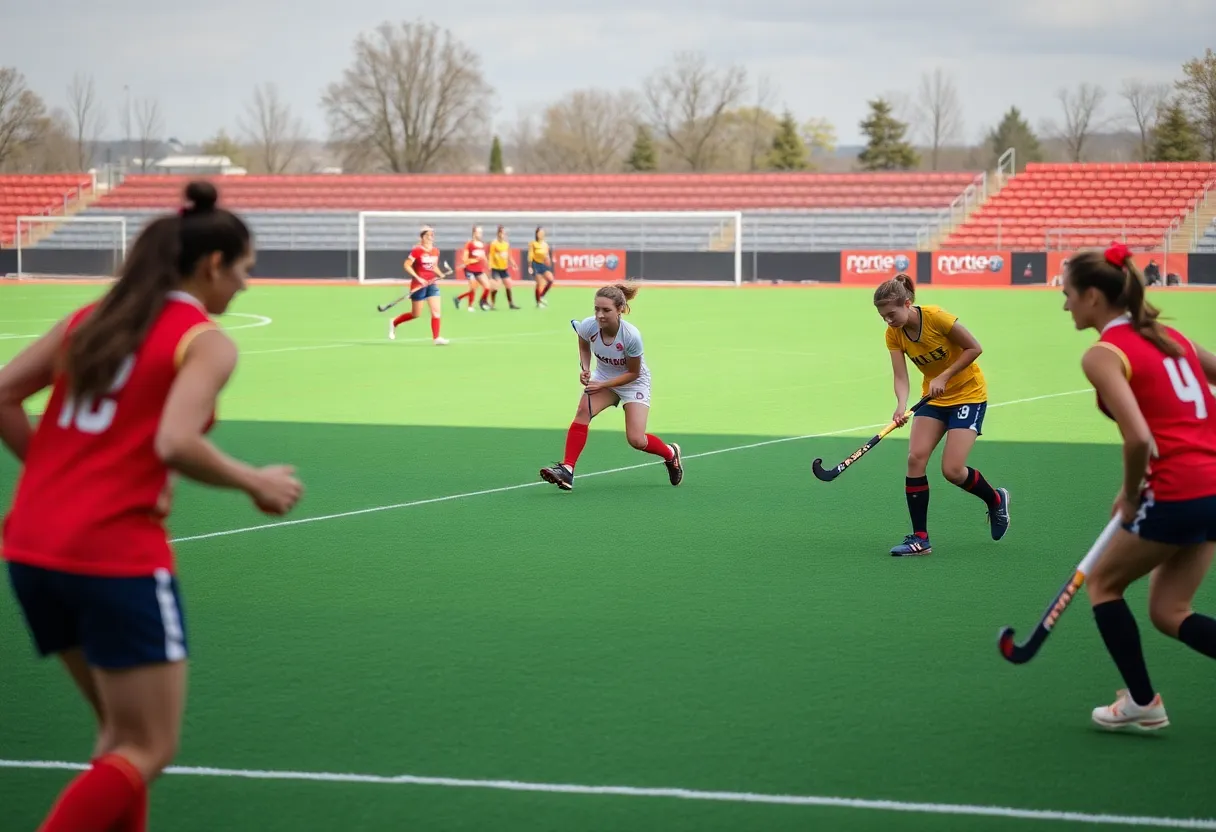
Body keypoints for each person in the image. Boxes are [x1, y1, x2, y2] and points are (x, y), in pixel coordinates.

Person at [0, 181, 303, 832]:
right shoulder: (205, 341)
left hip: (30, 546)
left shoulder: (91, 318)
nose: (246, 286)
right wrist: (254, 481)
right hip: (112, 554)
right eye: (245, 270)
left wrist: (59, 475)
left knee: (118, 737)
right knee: (149, 745)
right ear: (213, 264)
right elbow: (174, 440)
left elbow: (1, 395)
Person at [1062, 242, 1216, 731]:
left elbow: (1140, 438)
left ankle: (1143, 704)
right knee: (1170, 612)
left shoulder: (1102, 354)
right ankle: (1141, 701)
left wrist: (1131, 496)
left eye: (1067, 294)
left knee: (1104, 586)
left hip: (1177, 490)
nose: (1064, 304)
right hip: (1211, 485)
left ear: (1092, 296)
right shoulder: (1173, 338)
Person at [874, 273, 1010, 556]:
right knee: (915, 458)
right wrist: (901, 405)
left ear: (907, 303)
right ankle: (920, 539)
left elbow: (975, 347)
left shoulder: (937, 318)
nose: (888, 320)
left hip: (968, 395)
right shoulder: (893, 333)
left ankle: (995, 499)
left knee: (952, 470)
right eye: (883, 316)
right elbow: (900, 376)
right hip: (933, 399)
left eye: (891, 314)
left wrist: (945, 376)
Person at [539, 284, 683, 491]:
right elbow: (583, 341)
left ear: (620, 310)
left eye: (606, 310)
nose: (599, 315)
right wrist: (586, 368)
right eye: (596, 309)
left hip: (634, 383)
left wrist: (602, 383)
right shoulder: (589, 326)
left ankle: (670, 454)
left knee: (636, 439)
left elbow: (633, 373)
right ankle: (567, 469)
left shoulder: (631, 336)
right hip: (604, 377)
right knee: (583, 412)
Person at [389, 225, 449, 345]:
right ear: (422, 237)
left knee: (436, 311)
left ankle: (436, 338)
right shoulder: (417, 250)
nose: (431, 237)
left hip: (431, 284)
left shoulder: (436, 251)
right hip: (419, 285)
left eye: (432, 235)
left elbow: (434, 266)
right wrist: (418, 278)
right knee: (416, 314)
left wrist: (440, 274)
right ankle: (394, 322)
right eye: (428, 235)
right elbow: (406, 265)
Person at [455, 225, 492, 312]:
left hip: (479, 270)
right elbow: (465, 259)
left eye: (481, 232)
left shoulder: (483, 245)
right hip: (470, 270)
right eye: (479, 232)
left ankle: (482, 301)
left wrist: (488, 265)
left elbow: (484, 257)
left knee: (487, 287)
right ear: (474, 233)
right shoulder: (469, 244)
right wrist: (475, 259)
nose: (481, 234)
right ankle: (470, 306)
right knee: (473, 288)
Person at [488, 225, 521, 310]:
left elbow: (509, 256)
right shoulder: (494, 243)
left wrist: (513, 264)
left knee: (509, 284)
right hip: (496, 268)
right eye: (502, 233)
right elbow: (491, 255)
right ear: (498, 233)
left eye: (504, 233)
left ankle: (511, 304)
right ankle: (492, 304)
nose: (504, 235)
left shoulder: (506, 244)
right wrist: (490, 265)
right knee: (496, 285)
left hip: (503, 269)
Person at [528, 226, 554, 308]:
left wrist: (548, 260)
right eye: (539, 233)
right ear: (536, 234)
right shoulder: (533, 243)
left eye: (542, 233)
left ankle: (542, 295)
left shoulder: (545, 244)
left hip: (542, 264)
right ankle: (538, 302)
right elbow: (530, 255)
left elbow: (547, 255)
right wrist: (530, 266)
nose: (541, 234)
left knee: (550, 279)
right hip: (535, 264)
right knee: (539, 283)